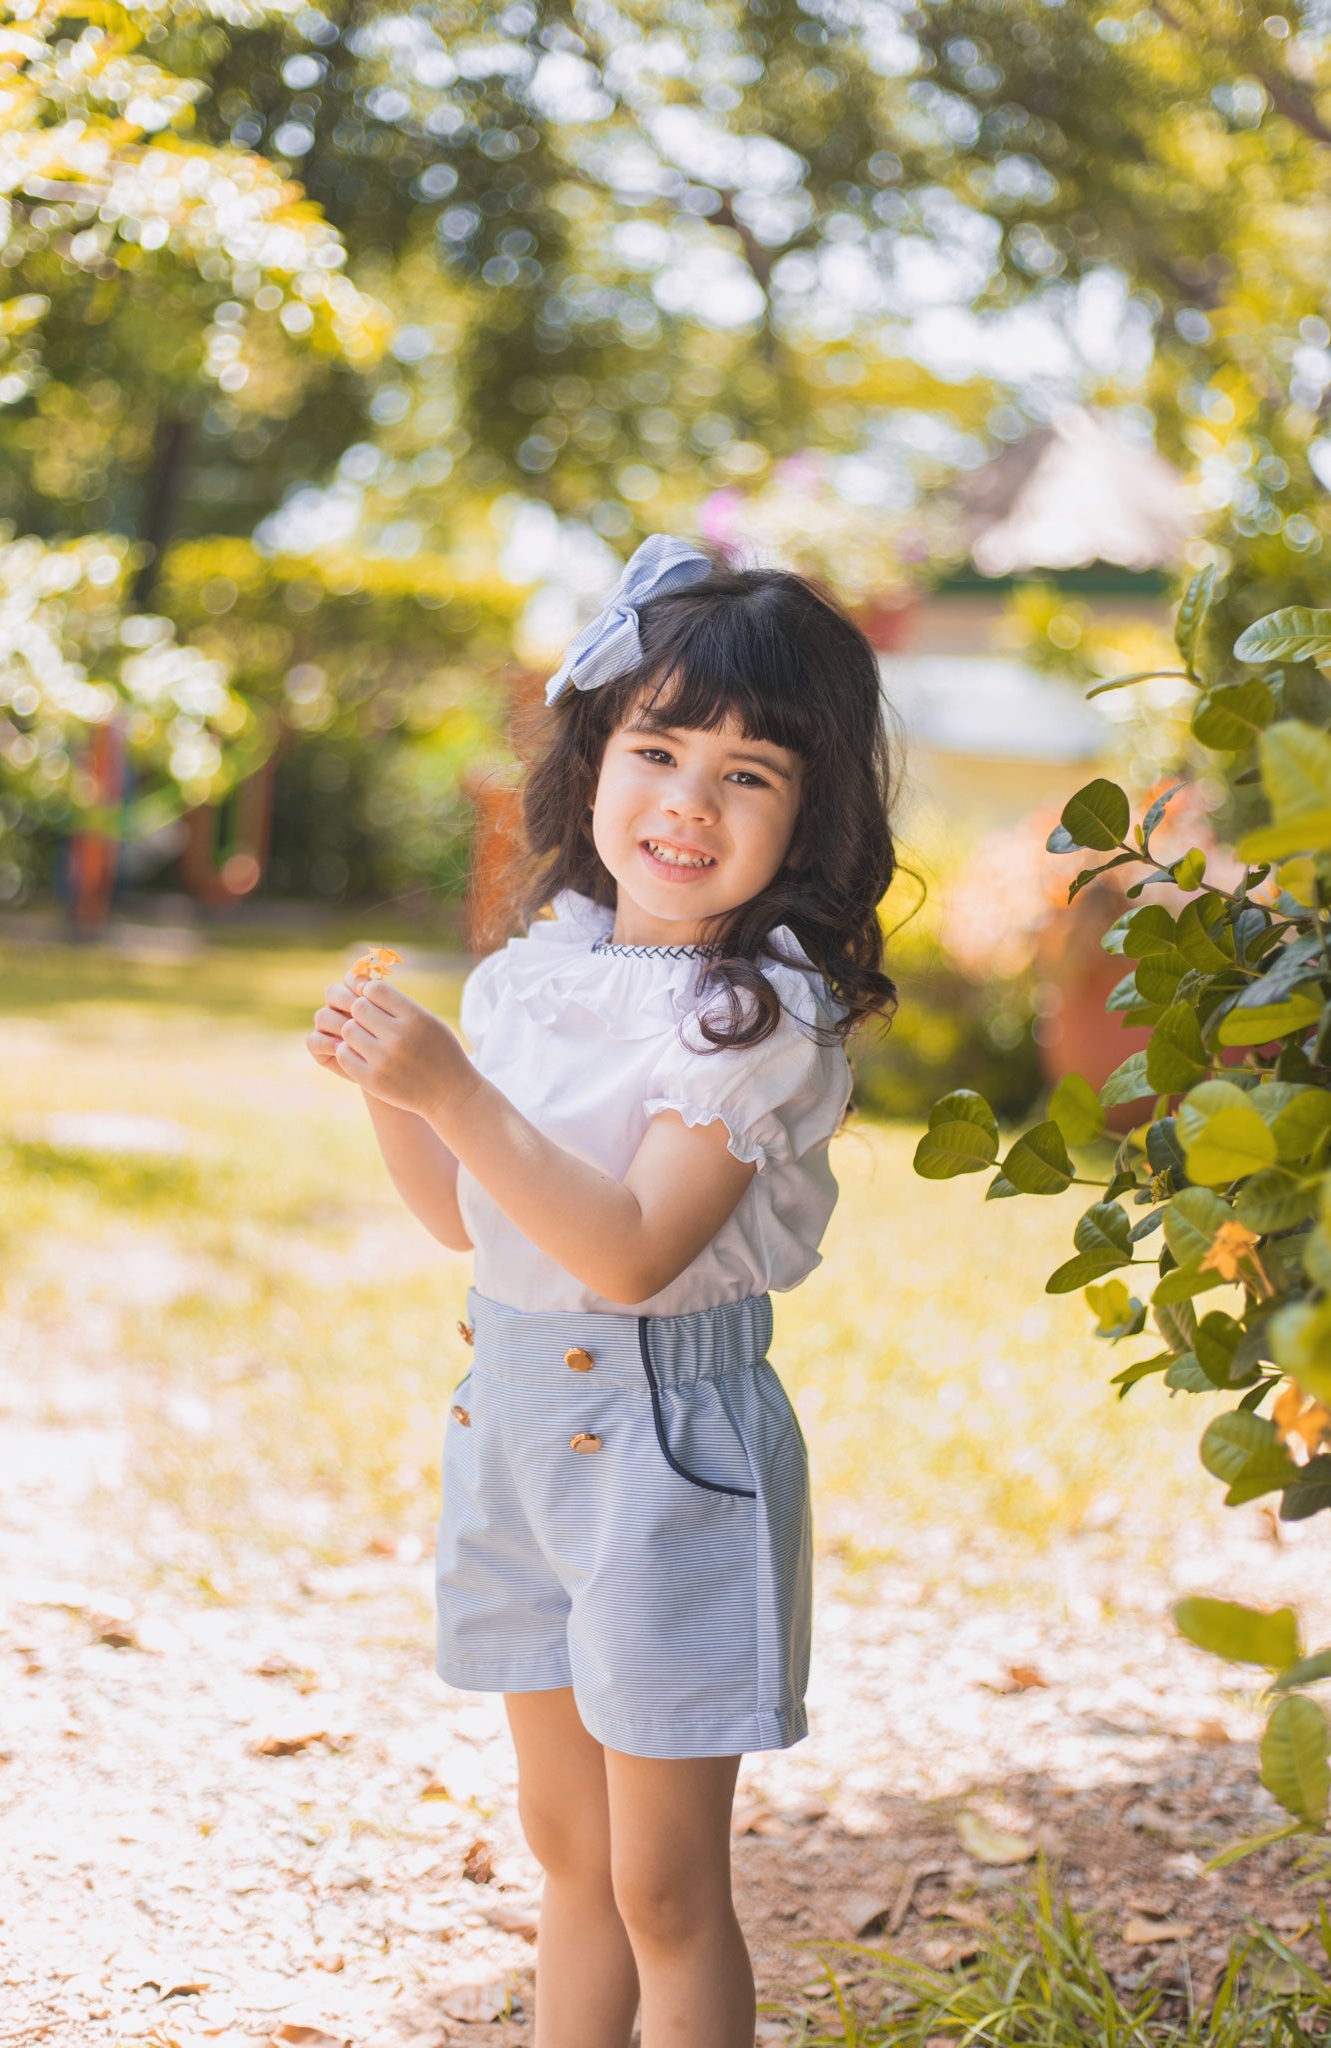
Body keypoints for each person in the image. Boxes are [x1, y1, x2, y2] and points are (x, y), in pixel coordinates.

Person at [306, 535, 897, 2048]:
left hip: (665, 1454)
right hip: (509, 1427)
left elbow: (630, 1249)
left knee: (666, 1888)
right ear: (594, 761)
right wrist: (394, 1083)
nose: (689, 803)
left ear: (812, 817)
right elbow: (461, 1216)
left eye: (750, 775)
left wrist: (452, 1089)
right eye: (658, 748)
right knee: (569, 1858)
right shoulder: (537, 976)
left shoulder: (757, 1022)